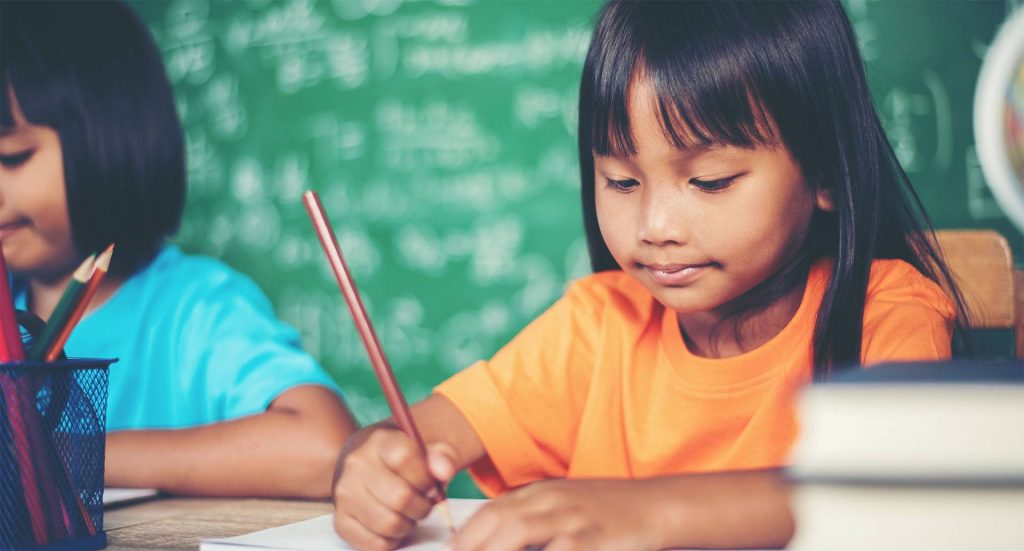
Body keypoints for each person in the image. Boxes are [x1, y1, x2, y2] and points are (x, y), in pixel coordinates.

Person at [330, 0, 973, 548]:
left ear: (826, 172)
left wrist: (648, 511)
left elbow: (899, 487)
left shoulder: (885, 312)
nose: (654, 225)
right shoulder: (597, 325)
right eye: (621, 180)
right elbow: (411, 436)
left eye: (709, 180)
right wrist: (370, 467)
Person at [0, 0, 358, 498]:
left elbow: (326, 448)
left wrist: (62, 452)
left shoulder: (197, 309)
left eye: (11, 157)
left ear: (109, 138)